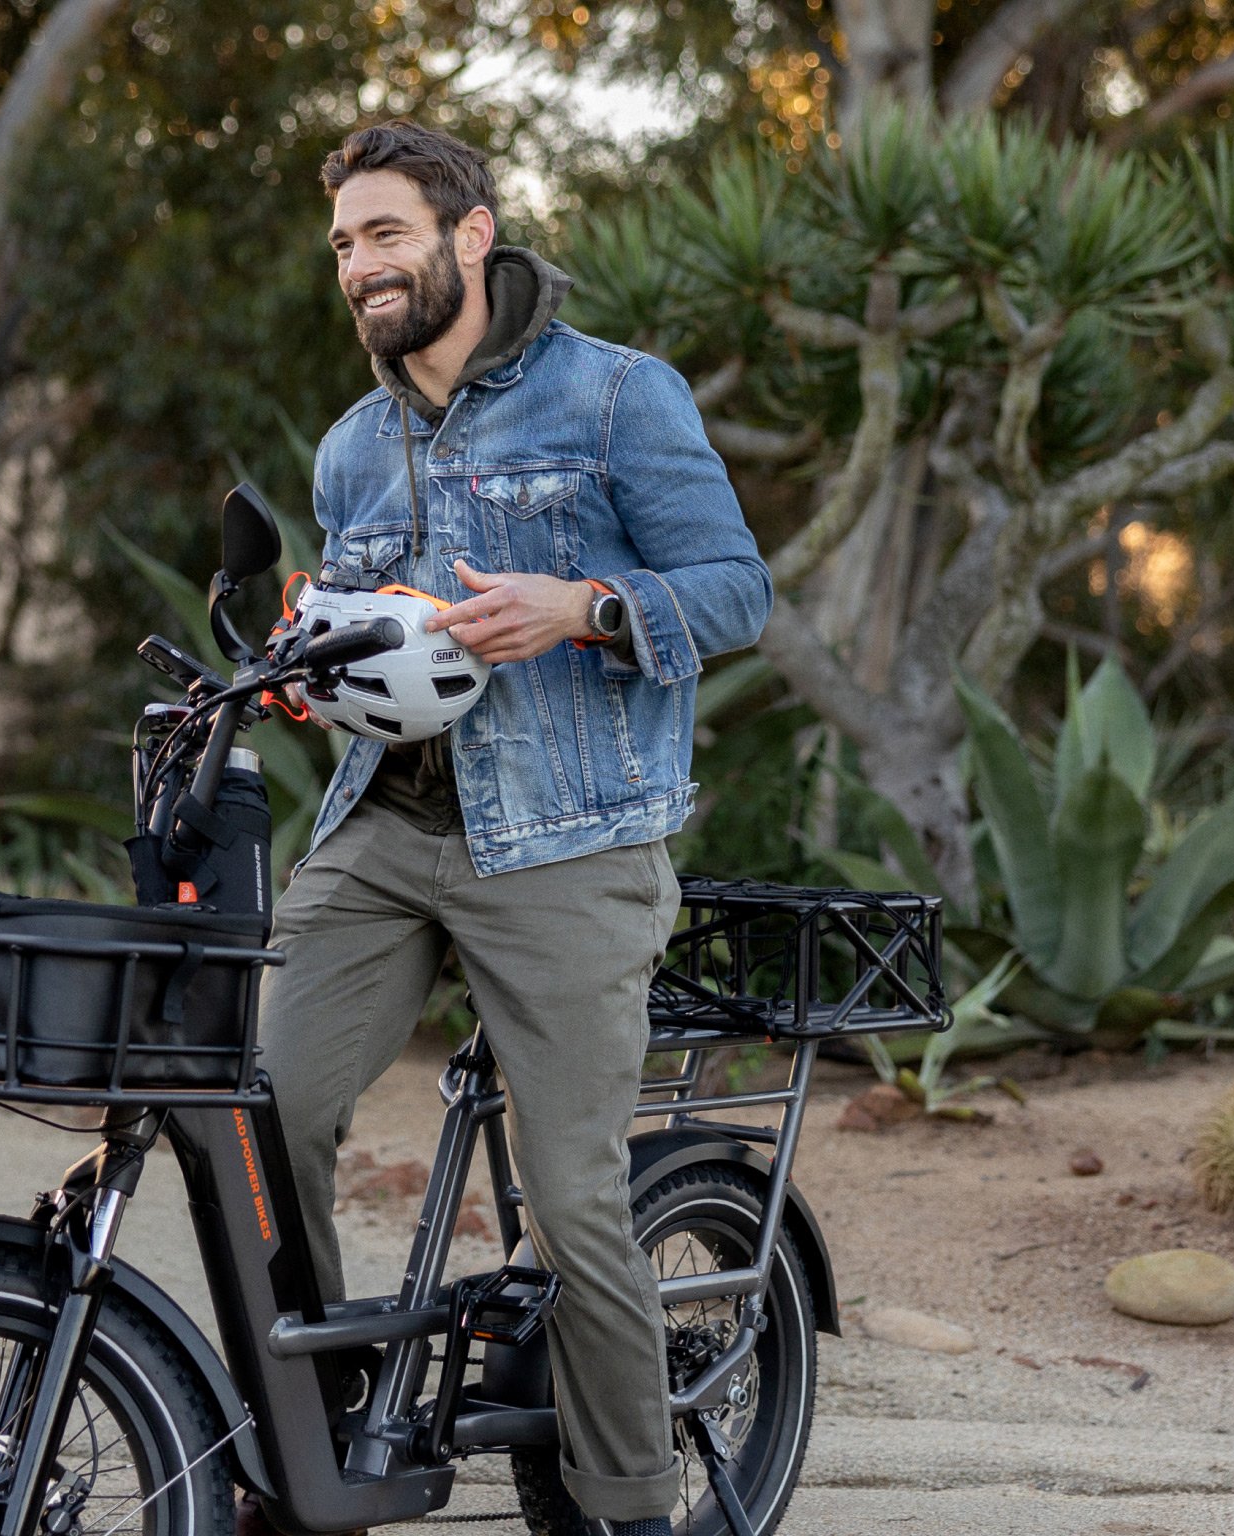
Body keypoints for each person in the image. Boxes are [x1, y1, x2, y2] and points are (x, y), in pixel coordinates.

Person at [254, 120, 773, 1536]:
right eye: (346, 243)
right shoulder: (353, 446)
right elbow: (387, 654)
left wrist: (587, 608)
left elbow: (736, 590)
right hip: (386, 828)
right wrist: (320, 677)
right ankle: (325, 1435)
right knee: (260, 1117)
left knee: (569, 1201)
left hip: (571, 838)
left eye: (386, 234)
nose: (361, 265)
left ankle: (626, 1506)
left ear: (469, 235)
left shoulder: (615, 399)